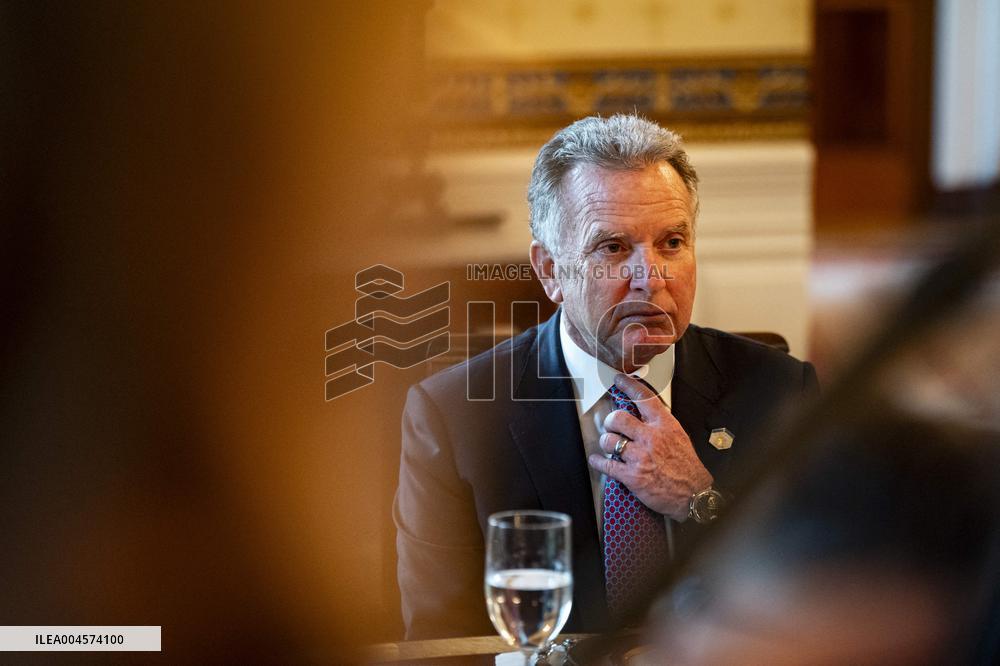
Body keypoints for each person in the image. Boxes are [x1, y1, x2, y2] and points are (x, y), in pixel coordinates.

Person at [394, 114, 818, 639]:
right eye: (614, 247)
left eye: (672, 242)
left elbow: (820, 597)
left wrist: (699, 500)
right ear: (551, 271)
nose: (652, 277)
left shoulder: (779, 391)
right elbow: (443, 644)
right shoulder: (456, 416)